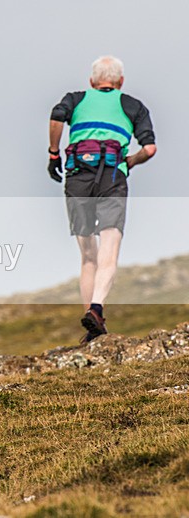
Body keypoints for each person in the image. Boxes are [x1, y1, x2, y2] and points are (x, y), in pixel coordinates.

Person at [48, 55, 156, 343]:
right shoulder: (132, 105)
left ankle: (90, 323)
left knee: (87, 256)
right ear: (120, 82)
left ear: (92, 82)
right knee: (110, 248)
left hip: (77, 178)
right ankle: (96, 309)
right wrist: (130, 161)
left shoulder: (76, 99)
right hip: (112, 178)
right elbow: (150, 149)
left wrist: (53, 153)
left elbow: (57, 117)